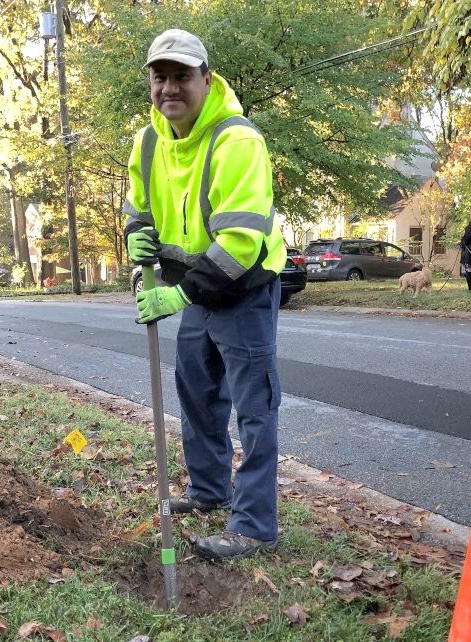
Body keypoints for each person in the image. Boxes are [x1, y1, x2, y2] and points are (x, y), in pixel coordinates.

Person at [123, 29, 287, 560]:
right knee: (196, 393)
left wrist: (179, 295)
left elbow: (240, 245)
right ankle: (209, 491)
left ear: (206, 79)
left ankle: (255, 524)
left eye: (182, 76)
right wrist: (136, 236)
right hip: (195, 290)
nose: (170, 87)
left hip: (244, 288)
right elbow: (139, 209)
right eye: (160, 76)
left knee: (254, 408)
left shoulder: (237, 141)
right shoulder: (148, 142)